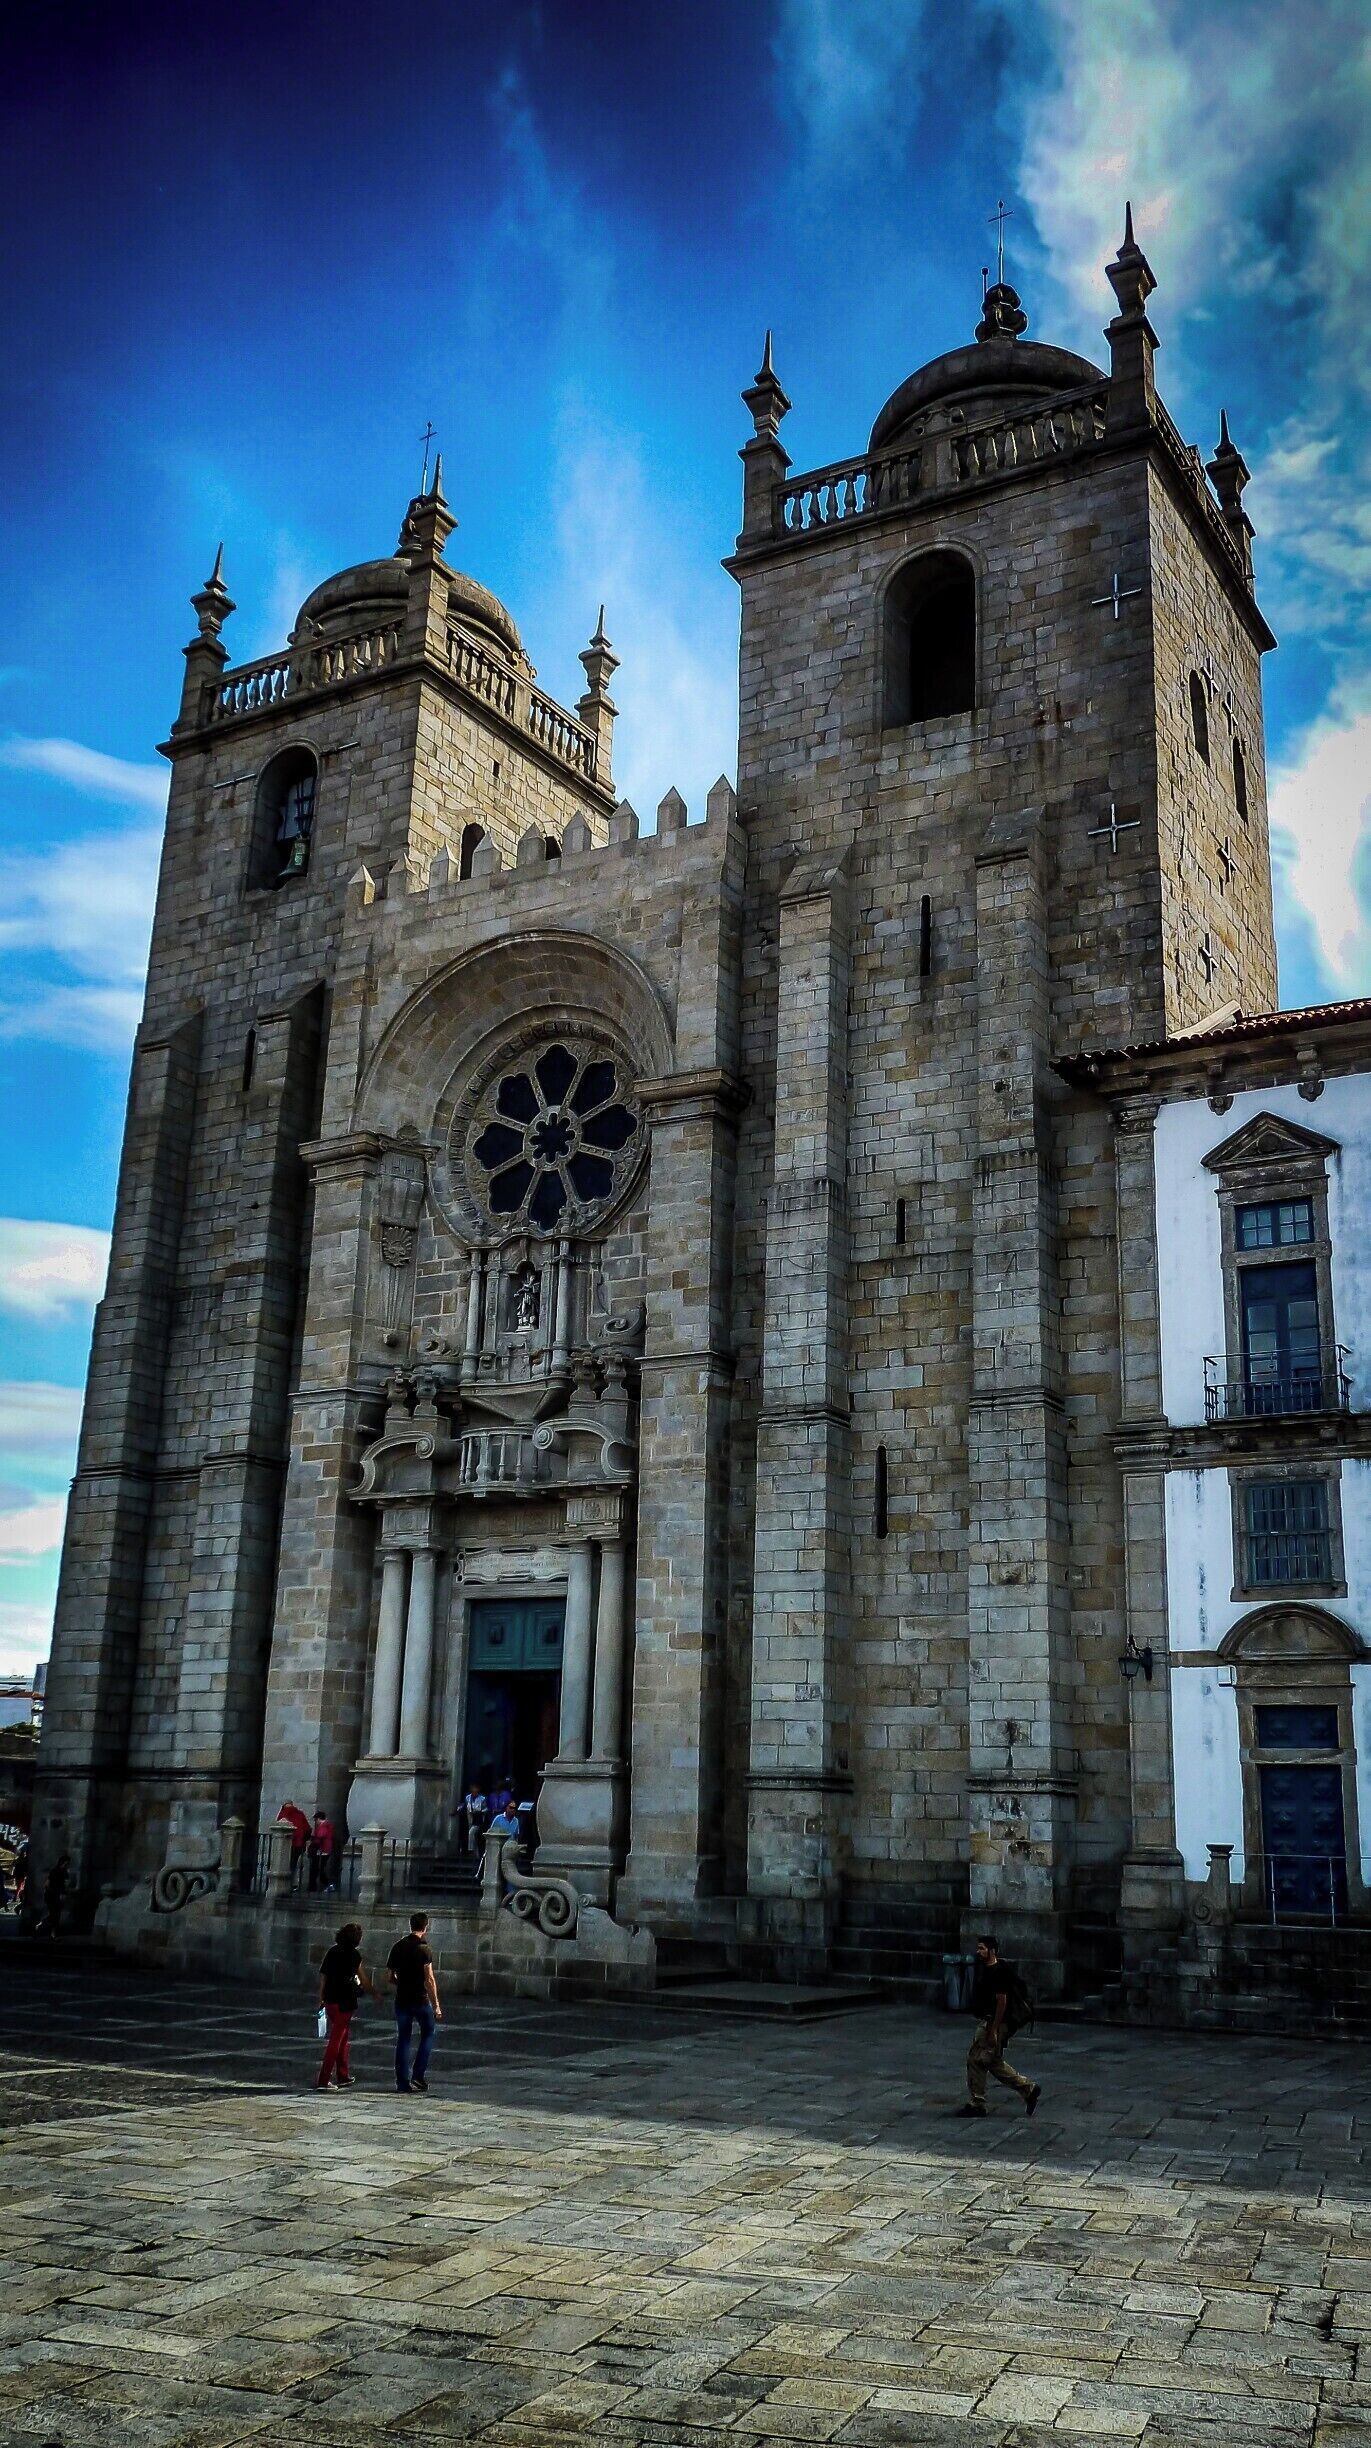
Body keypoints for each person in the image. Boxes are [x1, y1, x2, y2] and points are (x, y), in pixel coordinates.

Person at [956, 1934, 1040, 2118]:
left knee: (976, 2058)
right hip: (989, 2021)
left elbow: (1002, 2002)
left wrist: (993, 2030)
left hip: (995, 2023)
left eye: (982, 1948)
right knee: (989, 2060)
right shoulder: (987, 1968)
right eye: (978, 1948)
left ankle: (977, 2103)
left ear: (991, 1950)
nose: (978, 1952)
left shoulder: (999, 1971)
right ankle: (1028, 2089)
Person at [315, 1920, 375, 2088]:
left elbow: (324, 1976)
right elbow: (362, 1979)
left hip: (330, 1999)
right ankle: (323, 2078)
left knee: (343, 2038)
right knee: (336, 2040)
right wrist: (374, 1993)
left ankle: (343, 2075)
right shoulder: (354, 1956)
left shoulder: (332, 1952)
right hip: (345, 2002)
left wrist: (321, 1998)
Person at [387, 1911, 442, 2093]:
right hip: (420, 1998)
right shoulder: (424, 1949)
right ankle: (418, 2075)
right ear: (426, 1927)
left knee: (403, 2038)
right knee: (428, 2032)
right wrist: (437, 2006)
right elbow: (430, 1979)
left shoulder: (398, 1946)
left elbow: (390, 1977)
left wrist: (401, 1982)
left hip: (402, 1998)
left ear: (411, 1925)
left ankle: (402, 2082)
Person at [276, 1799, 310, 1886]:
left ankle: (284, 1884)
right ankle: (292, 1883)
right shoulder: (300, 1814)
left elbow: (278, 1827)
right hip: (299, 1845)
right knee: (294, 1864)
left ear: (284, 1805)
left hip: (285, 1844)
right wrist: (304, 1840)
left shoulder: (283, 1814)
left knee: (283, 1864)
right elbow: (307, 1829)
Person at [43, 1853, 71, 1938]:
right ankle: (51, 1933)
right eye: (66, 1864)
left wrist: (64, 1892)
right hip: (52, 1895)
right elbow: (47, 1884)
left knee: (56, 1915)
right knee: (54, 1914)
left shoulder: (65, 1872)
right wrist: (55, 1893)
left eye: (68, 1864)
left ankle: (49, 1930)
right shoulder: (55, 1871)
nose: (66, 1866)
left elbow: (66, 1884)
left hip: (58, 1895)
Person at [308, 1810, 337, 1893]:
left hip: (322, 1850)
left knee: (319, 1869)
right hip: (325, 1850)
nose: (315, 1822)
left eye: (315, 1820)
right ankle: (323, 1885)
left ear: (319, 1819)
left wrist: (312, 1841)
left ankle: (327, 1885)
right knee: (320, 1869)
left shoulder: (323, 1826)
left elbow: (320, 1837)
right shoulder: (328, 1825)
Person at [463, 1787, 487, 1856]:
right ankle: (476, 1853)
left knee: (472, 1833)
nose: (474, 1792)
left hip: (478, 1819)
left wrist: (479, 1812)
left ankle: (471, 1850)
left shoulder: (482, 1798)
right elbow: (466, 1806)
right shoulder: (467, 1798)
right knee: (473, 1836)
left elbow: (486, 1809)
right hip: (470, 1818)